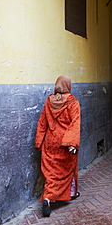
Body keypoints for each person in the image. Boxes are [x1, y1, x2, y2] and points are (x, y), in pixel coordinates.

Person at [35, 75, 81, 217]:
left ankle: (49, 197)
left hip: (49, 142)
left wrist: (38, 141)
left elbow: (42, 122)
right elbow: (74, 124)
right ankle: (65, 194)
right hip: (64, 143)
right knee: (66, 170)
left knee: (51, 172)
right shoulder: (73, 103)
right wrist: (72, 144)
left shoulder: (49, 101)